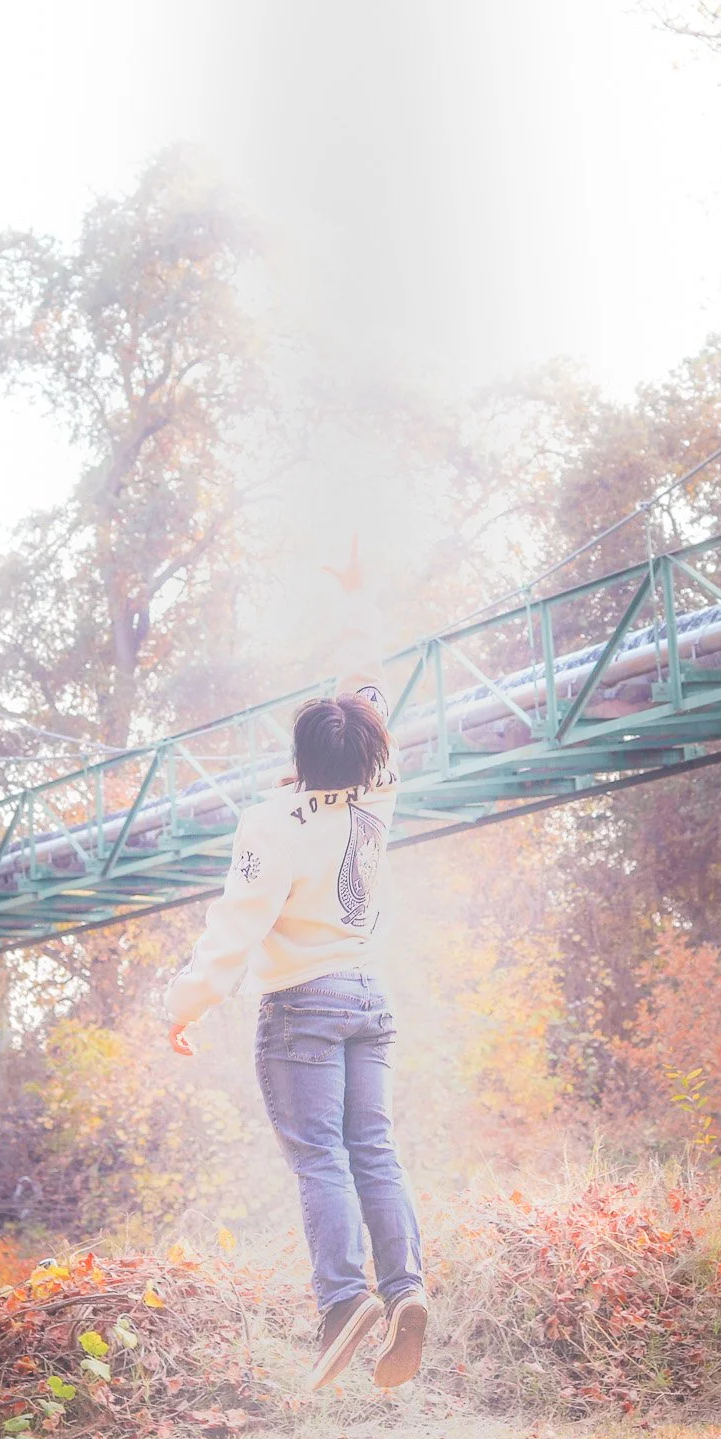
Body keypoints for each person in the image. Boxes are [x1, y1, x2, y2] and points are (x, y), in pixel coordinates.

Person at [165, 543, 426, 1393]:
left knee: (319, 1158)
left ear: (300, 752)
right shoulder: (381, 785)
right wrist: (357, 596)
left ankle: (343, 1301)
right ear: (364, 748)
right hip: (367, 997)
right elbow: (370, 686)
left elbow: (233, 931)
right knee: (373, 1150)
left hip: (301, 1008)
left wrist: (183, 1009)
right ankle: (405, 1287)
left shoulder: (269, 821)